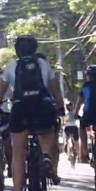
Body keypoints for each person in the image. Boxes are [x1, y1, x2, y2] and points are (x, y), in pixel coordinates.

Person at [0, 36, 64, 191]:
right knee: (46, 131)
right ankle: (46, 156)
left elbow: (0, 92)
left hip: (20, 109)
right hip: (42, 106)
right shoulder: (43, 65)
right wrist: (60, 107)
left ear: (17, 51)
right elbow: (55, 89)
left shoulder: (11, 67)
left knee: (18, 155)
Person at [34, 52, 62, 184]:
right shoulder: (49, 73)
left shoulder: (20, 70)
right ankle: (53, 169)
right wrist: (60, 107)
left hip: (25, 113)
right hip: (46, 112)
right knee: (53, 140)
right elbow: (56, 92)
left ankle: (20, 169)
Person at [74, 65, 96, 163]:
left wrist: (76, 113)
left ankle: (85, 152)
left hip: (88, 114)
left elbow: (79, 101)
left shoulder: (86, 86)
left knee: (82, 127)